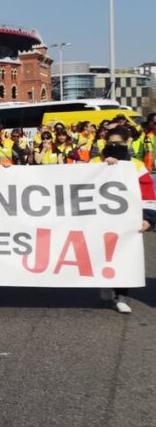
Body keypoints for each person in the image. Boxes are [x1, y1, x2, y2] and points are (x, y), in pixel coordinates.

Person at [93, 126, 155, 313]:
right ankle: (104, 283)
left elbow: (147, 193)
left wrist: (148, 218)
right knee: (103, 253)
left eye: (117, 143)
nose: (113, 146)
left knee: (124, 255)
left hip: (127, 220)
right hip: (100, 218)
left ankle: (121, 296)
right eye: (109, 143)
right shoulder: (96, 161)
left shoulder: (136, 165)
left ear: (127, 143)